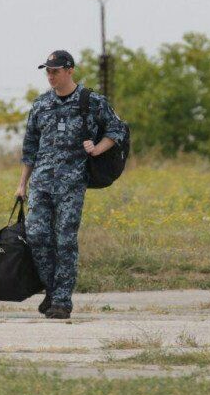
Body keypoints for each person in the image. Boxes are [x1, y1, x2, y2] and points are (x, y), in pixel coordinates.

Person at [16, 50, 127, 319]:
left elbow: (118, 129)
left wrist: (98, 149)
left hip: (72, 184)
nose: (51, 76)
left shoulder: (91, 102)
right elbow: (30, 147)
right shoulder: (41, 105)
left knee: (65, 240)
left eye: (55, 71)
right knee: (38, 236)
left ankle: (62, 301)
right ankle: (53, 291)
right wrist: (22, 184)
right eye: (48, 71)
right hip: (41, 183)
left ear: (70, 70)